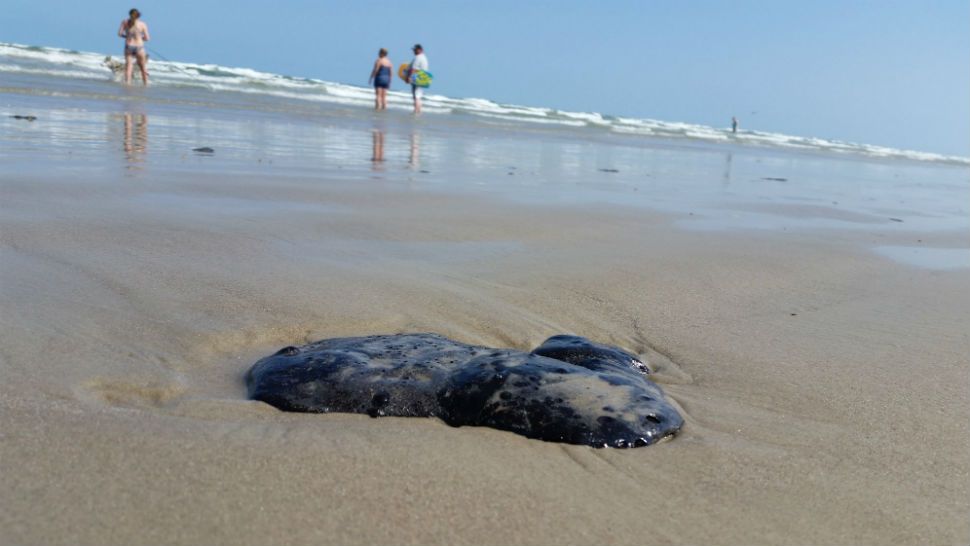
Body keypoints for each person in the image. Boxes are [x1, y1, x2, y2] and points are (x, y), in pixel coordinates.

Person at [117, 8, 150, 85]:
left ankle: (128, 83)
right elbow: (147, 38)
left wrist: (126, 36)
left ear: (129, 14)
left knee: (129, 66)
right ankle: (146, 84)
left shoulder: (124, 22)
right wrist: (141, 39)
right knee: (143, 67)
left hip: (129, 46)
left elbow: (119, 34)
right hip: (140, 47)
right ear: (138, 16)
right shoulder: (143, 24)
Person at [406, 44, 429, 114]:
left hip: (417, 78)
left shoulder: (418, 57)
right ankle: (418, 111)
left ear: (420, 50)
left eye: (415, 50)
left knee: (416, 96)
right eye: (413, 50)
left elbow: (413, 69)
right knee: (418, 96)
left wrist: (409, 77)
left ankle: (416, 111)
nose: (414, 51)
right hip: (423, 78)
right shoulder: (424, 57)